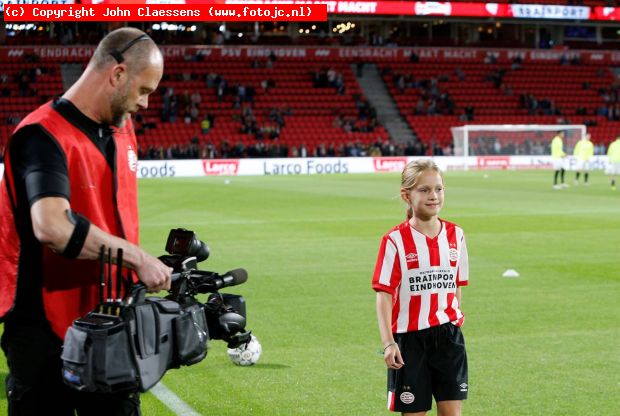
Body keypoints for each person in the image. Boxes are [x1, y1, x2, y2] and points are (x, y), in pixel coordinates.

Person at [0, 28, 172, 416]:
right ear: (117, 74)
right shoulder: (40, 135)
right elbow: (52, 227)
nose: (145, 104)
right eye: (143, 90)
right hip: (45, 331)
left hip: (112, 323)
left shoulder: (123, 131)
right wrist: (137, 258)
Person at [372, 159, 469, 415]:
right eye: (424, 190)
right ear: (407, 195)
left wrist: (454, 316)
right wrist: (389, 343)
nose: (433, 196)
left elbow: (457, 283)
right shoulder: (394, 240)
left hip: (448, 338)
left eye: (438, 189)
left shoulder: (456, 235)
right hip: (410, 341)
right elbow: (384, 295)